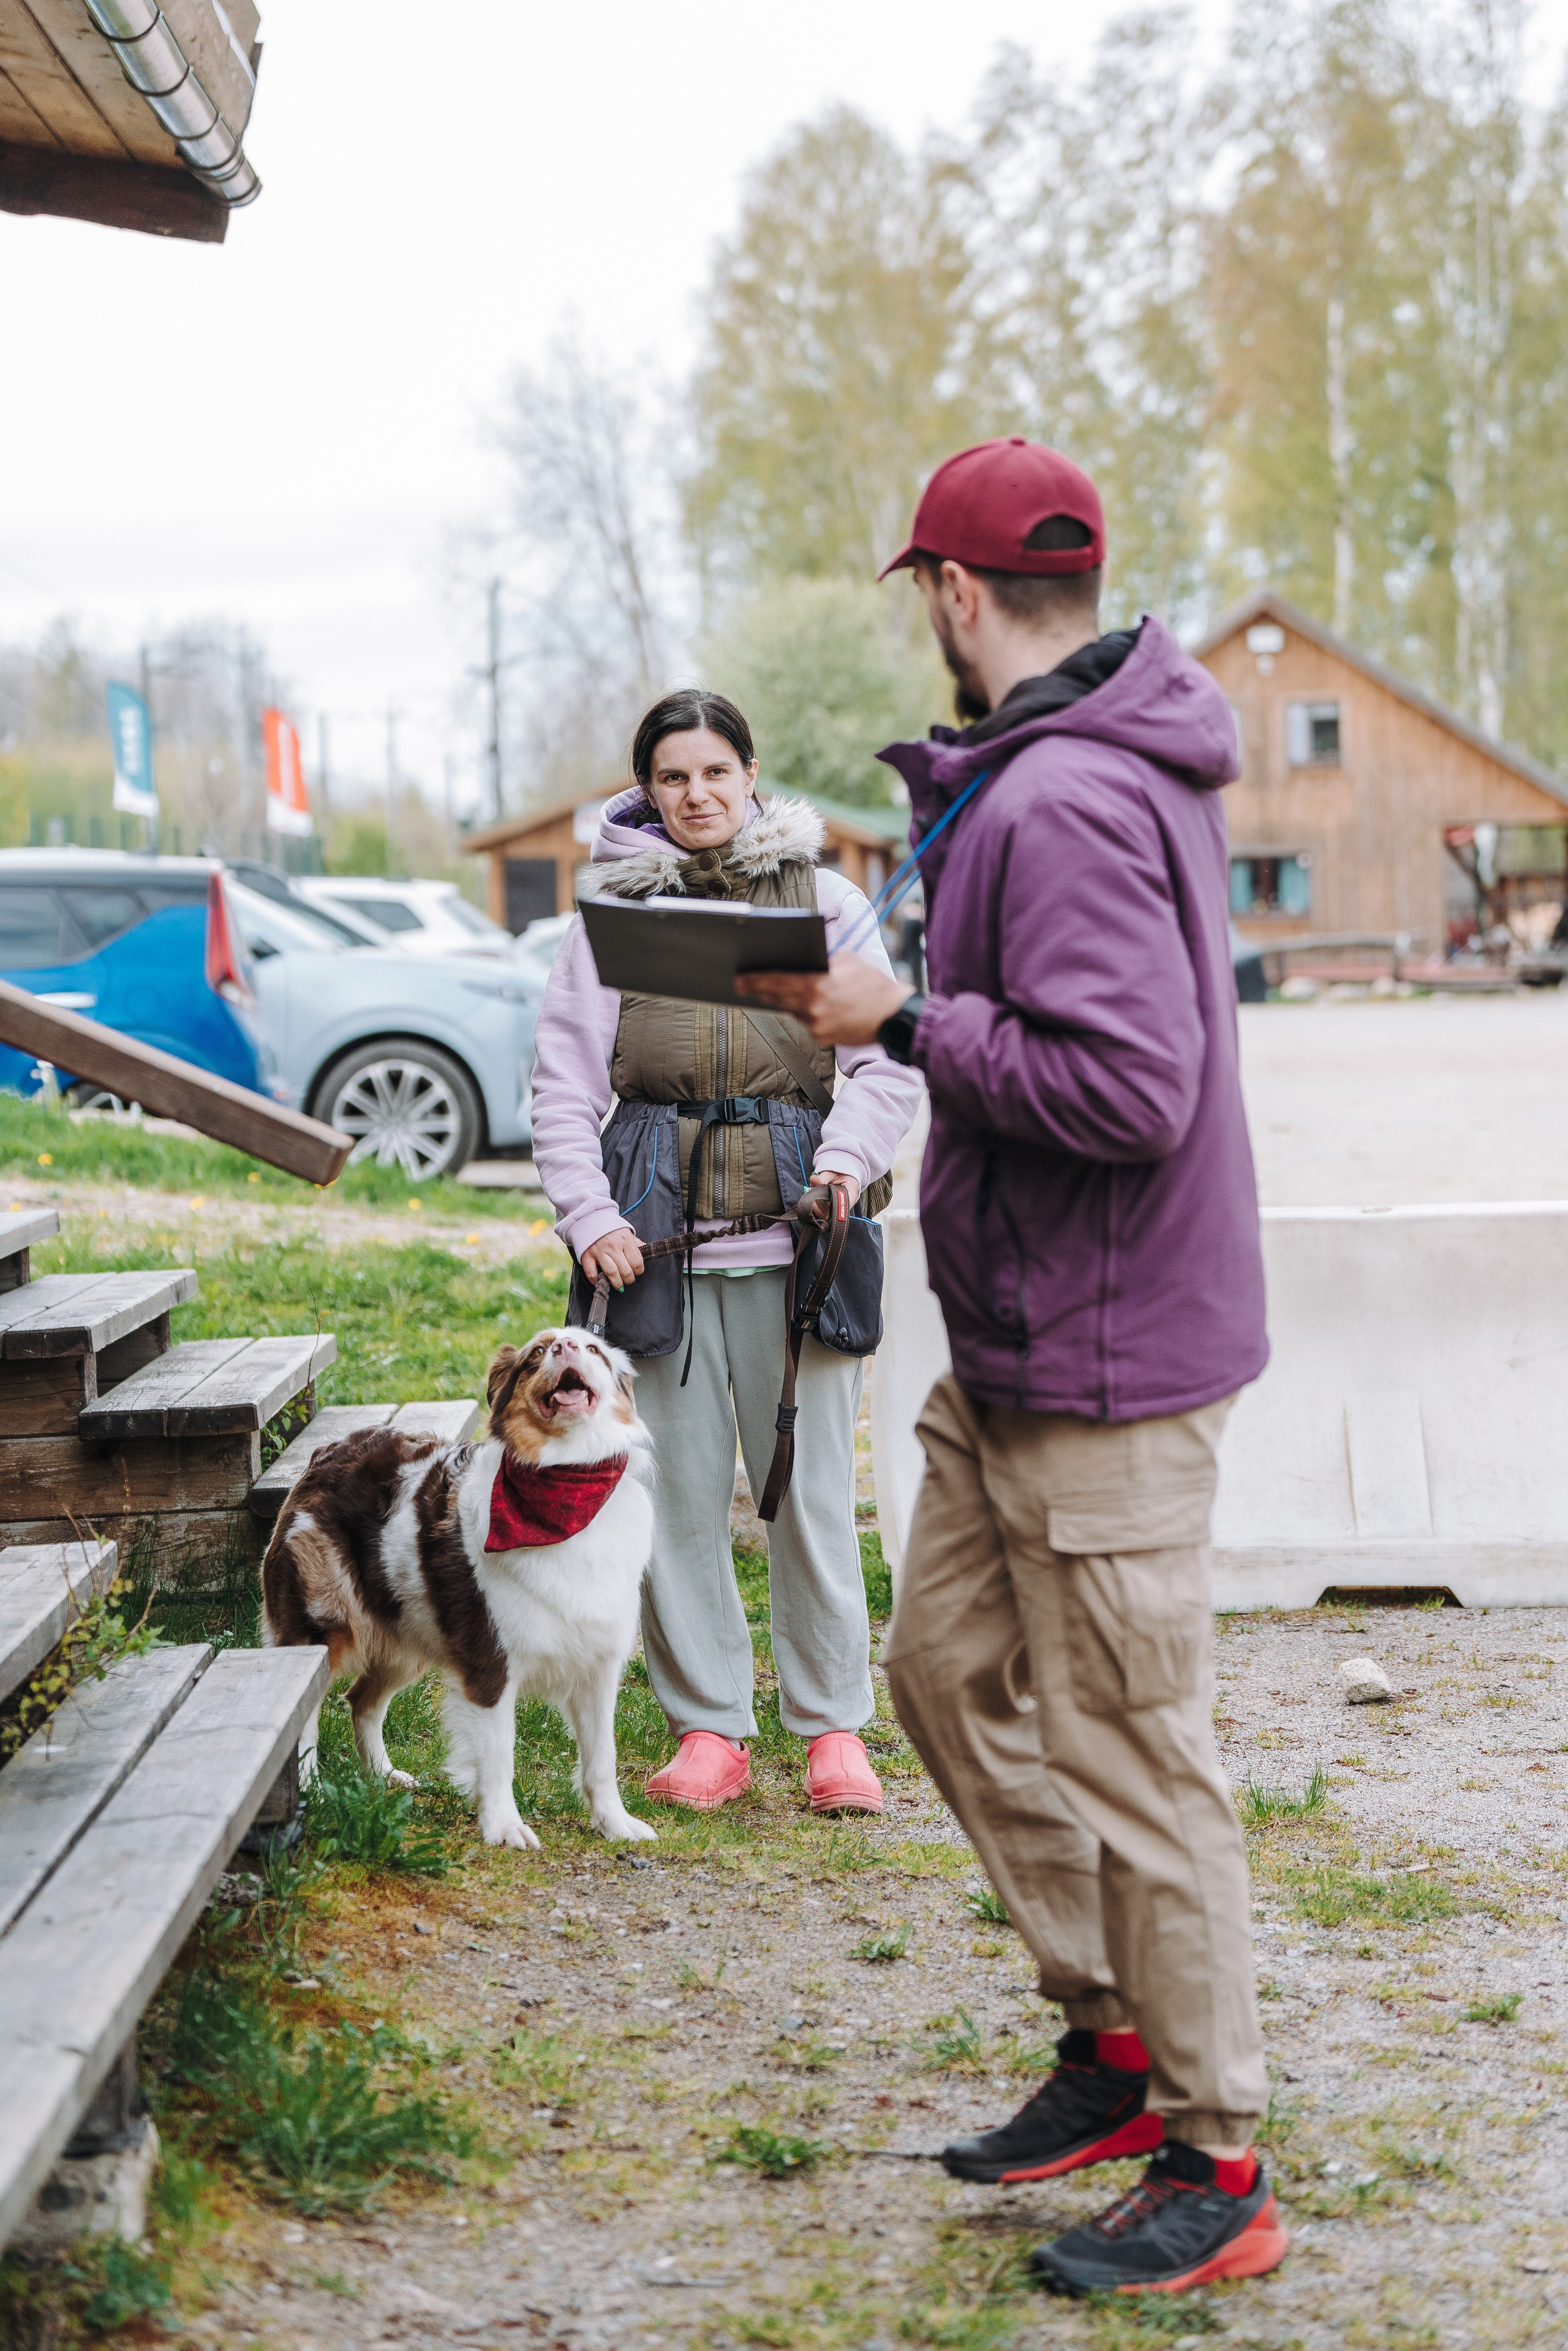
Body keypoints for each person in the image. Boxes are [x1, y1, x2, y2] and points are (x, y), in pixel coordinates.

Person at [737, 439, 1286, 2298]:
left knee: (1138, 1755)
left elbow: (1134, 1092)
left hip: (1107, 1360)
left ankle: (1221, 2156)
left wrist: (908, 1023)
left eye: (928, 599)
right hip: (1024, 1339)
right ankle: (1117, 2037)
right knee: (944, 1666)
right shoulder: (1062, 771)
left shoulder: (1060, 800)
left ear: (954, 597)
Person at [529, 690, 924, 1817]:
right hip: (654, 1250)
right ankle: (708, 1725)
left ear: (752, 773)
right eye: (672, 778)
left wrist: (844, 1162)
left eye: (715, 772)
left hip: (802, 1241)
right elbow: (563, 1084)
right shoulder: (610, 918)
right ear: (645, 790)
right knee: (683, 1498)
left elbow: (887, 1061)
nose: (696, 795)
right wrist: (591, 1217)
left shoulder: (828, 901)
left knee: (804, 1496)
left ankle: (833, 1725)